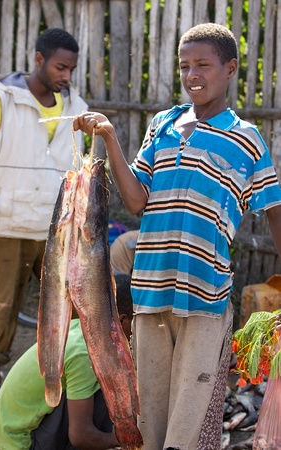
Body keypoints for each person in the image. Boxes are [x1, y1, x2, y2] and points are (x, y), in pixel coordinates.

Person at [73, 23, 281, 449]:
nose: (192, 75)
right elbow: (135, 201)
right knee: (150, 416)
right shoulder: (162, 125)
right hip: (151, 290)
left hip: (204, 294)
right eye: (185, 66)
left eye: (203, 65)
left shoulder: (246, 140)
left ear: (231, 69)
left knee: (187, 419)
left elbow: (274, 211)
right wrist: (111, 138)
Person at [0, 28, 88, 412]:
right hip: (8, 221)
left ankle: (62, 379)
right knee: (1, 304)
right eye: (61, 67)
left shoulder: (76, 104)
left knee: (65, 303)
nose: (67, 76)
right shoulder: (1, 99)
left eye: (72, 69)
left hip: (56, 229)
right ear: (39, 60)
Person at [0, 273, 133, 450]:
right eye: (138, 324)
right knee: (110, 389)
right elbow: (81, 437)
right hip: (22, 443)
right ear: (121, 321)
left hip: (13, 433)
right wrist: (126, 439)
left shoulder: (83, 328)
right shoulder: (86, 353)